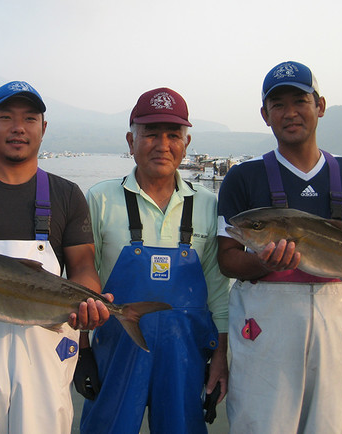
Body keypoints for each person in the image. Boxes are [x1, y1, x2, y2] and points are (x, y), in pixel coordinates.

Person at [217, 61, 342, 433]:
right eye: (278, 104)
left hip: (335, 324)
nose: (290, 113)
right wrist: (265, 265)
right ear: (264, 115)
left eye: (299, 101)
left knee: (328, 423)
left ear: (319, 105)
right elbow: (227, 260)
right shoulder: (243, 176)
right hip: (264, 326)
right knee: (260, 424)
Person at [0, 80, 110, 434]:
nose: (18, 128)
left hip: (46, 348)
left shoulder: (67, 195)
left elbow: (84, 267)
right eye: (6, 116)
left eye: (29, 118)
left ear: (43, 128)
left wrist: (91, 304)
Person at [79, 88, 230, 434]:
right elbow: (82, 284)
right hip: (113, 357)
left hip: (185, 359)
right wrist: (82, 351)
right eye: (150, 133)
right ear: (131, 141)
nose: (162, 144)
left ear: (186, 143)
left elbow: (219, 292)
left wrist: (220, 356)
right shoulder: (100, 199)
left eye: (173, 134)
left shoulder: (207, 204)